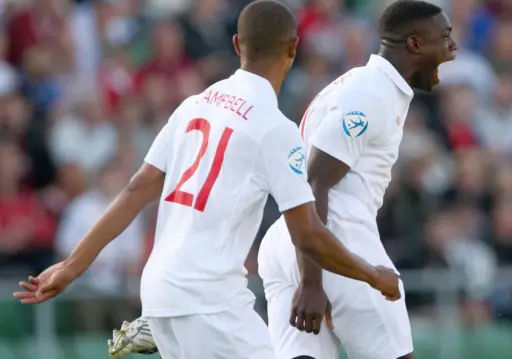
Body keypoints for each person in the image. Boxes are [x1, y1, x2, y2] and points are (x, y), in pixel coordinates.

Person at [12, 2, 401, 359]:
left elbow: (135, 191)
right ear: (293, 49)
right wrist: (373, 275)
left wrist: (71, 266)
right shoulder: (274, 129)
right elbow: (309, 236)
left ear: (236, 44)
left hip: (160, 293)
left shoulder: (193, 105)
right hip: (210, 302)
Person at [105, 1, 456, 358]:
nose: (452, 47)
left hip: (291, 244)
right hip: (332, 240)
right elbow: (316, 181)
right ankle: (182, 319)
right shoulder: (371, 95)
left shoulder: (365, 85)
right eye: (444, 38)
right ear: (414, 44)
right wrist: (313, 283)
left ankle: (176, 321)